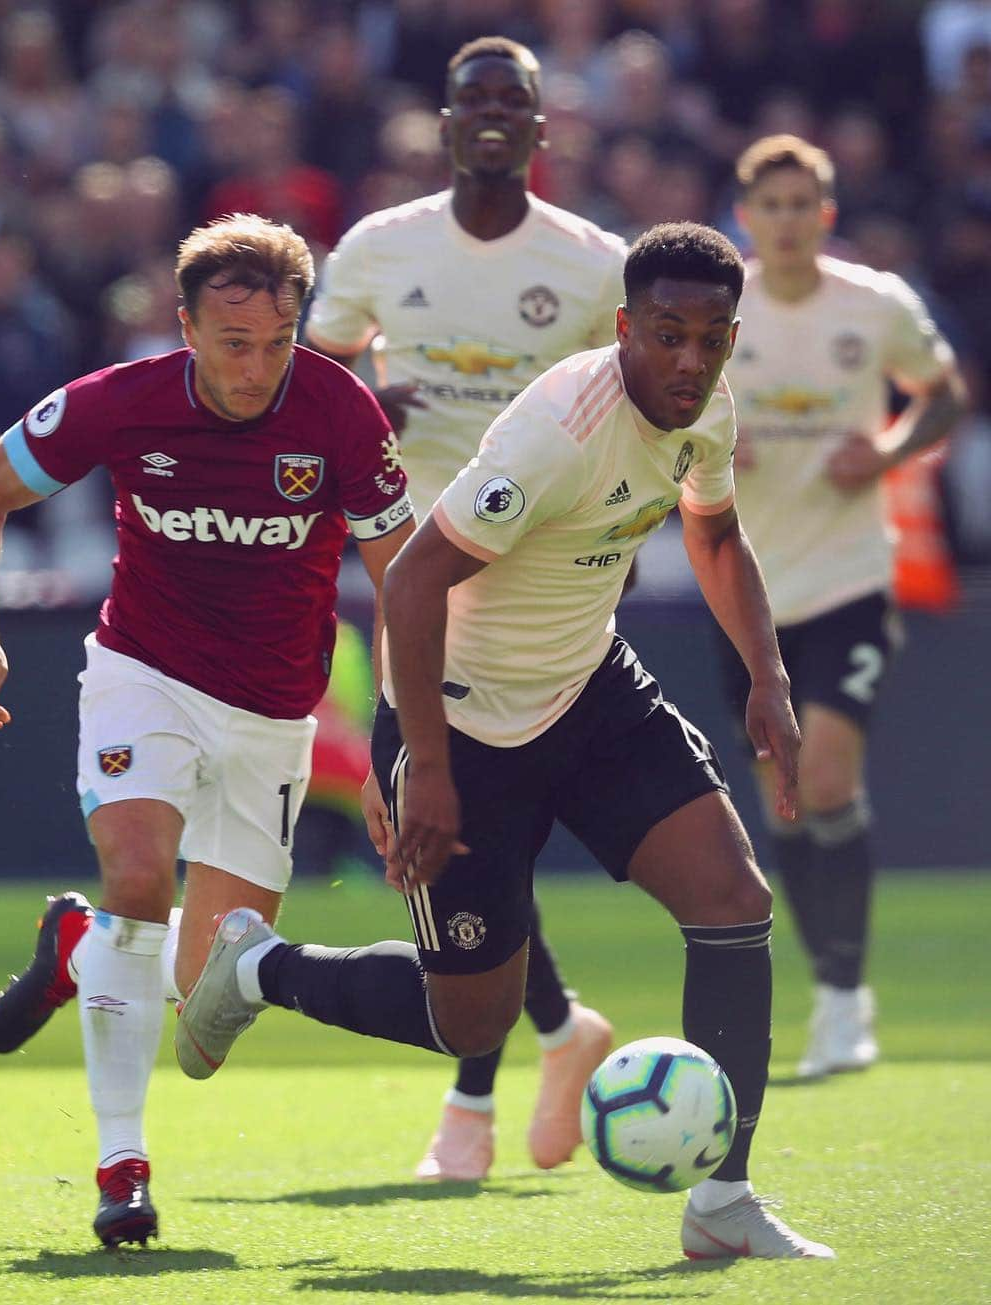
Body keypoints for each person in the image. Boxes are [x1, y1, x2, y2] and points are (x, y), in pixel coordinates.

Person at [176, 222, 836, 1261]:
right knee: (469, 1025)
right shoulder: (562, 428)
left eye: (712, 339)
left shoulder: (705, 402)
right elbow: (414, 578)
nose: (689, 360)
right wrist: (427, 765)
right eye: (666, 335)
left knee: (734, 902)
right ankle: (259, 969)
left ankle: (723, 1202)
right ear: (624, 327)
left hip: (589, 690)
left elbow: (712, 530)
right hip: (464, 717)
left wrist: (767, 674)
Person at [0, 213, 414, 1247]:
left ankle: (79, 948)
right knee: (141, 882)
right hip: (142, 675)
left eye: (279, 343)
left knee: (206, 1021)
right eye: (234, 343)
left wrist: (397, 736)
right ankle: (123, 1166)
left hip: (274, 715)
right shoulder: (124, 401)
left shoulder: (342, 413)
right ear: (186, 328)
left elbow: (401, 579)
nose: (257, 369)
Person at [303, 35, 624, 1183]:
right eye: (472, 98)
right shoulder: (383, 248)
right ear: (443, 123)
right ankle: (550, 1035)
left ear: (543, 130)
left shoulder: (594, 265)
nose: (492, 114)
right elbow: (305, 379)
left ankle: (475, 1107)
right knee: (454, 831)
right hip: (415, 577)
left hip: (541, 586)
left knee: (474, 833)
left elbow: (628, 413)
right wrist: (358, 401)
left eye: (514, 100)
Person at [721, 135, 967, 1079]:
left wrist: (892, 451)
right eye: (769, 205)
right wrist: (705, 441)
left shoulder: (876, 305)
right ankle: (827, 979)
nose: (785, 221)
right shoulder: (718, 308)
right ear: (747, 215)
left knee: (823, 777)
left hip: (851, 579)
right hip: (744, 592)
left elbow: (942, 395)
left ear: (825, 215)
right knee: (784, 797)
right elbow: (653, 406)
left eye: (802, 204)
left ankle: (844, 999)